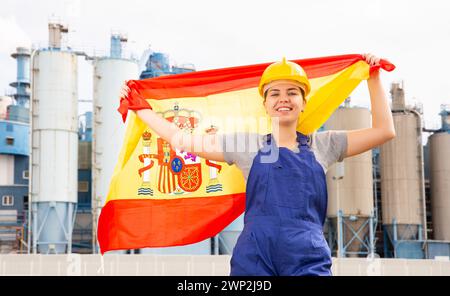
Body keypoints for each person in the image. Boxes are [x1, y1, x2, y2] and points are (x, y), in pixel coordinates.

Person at [127, 53, 395, 276]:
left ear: (304, 103)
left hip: (307, 256)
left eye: (293, 92)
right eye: (274, 93)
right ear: (265, 104)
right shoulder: (246, 146)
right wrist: (141, 110)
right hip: (255, 257)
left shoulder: (324, 145)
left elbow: (384, 131)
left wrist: (372, 78)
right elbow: (182, 140)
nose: (283, 99)